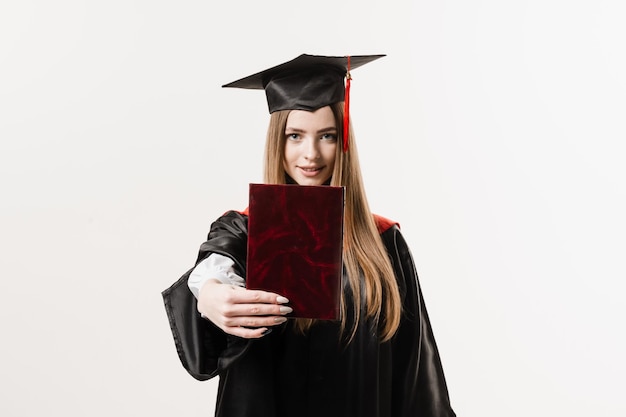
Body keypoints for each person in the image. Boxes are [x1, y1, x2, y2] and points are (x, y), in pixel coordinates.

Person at [162, 54, 456, 417]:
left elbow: (416, 370)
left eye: (327, 136)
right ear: (277, 142)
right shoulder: (244, 230)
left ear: (343, 142)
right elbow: (214, 269)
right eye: (295, 136)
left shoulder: (383, 241)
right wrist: (210, 296)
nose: (311, 154)